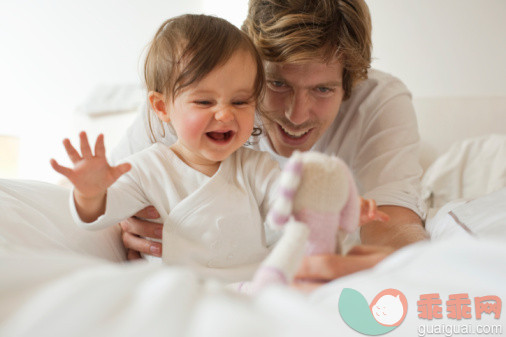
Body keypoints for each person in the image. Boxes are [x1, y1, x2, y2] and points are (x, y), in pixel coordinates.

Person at [51, 14, 386, 283]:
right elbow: (99, 216)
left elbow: (292, 202)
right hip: (174, 288)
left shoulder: (255, 168)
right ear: (162, 107)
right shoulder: (146, 168)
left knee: (298, 281)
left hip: (249, 284)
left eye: (240, 101)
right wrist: (90, 193)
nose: (225, 114)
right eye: (204, 101)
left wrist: (336, 206)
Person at [116, 0, 429, 286]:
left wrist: (392, 265)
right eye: (277, 83)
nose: (295, 115)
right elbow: (98, 195)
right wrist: (118, 217)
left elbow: (394, 225)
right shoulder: (185, 100)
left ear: (350, 83)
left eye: (322, 89)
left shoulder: (378, 101)